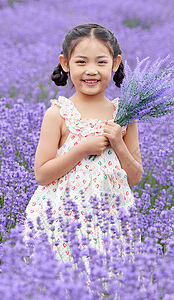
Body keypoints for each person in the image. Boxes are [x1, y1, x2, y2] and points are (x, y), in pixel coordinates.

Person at [21, 24, 143, 274]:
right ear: (65, 64)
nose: (91, 71)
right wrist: (82, 148)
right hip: (62, 220)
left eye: (100, 62)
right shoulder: (58, 115)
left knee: (111, 280)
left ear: (116, 63)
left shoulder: (125, 116)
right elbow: (42, 175)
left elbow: (134, 177)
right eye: (81, 62)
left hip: (111, 219)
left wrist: (118, 143)